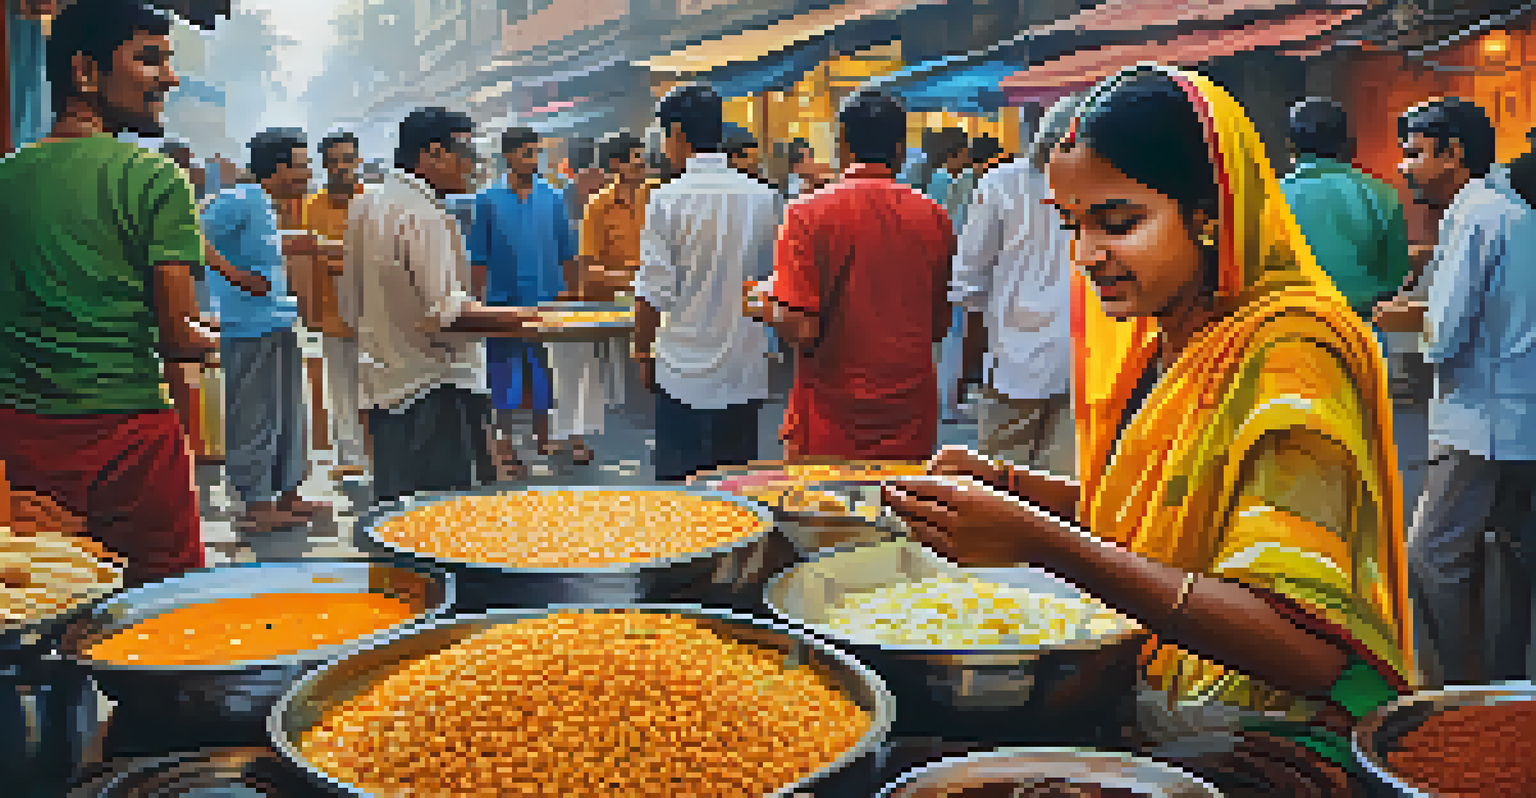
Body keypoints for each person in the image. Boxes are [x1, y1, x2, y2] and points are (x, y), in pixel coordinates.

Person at [885, 66, 1410, 797]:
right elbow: (1162, 515)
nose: (1085, 255)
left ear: (1207, 211)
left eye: (1118, 222)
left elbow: (1305, 648)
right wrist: (1005, 485)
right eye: (1073, 226)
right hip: (1170, 693)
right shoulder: (1172, 336)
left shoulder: (1292, 354)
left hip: (1278, 735)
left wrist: (1039, 542)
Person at [0, 0, 214, 586]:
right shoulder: (154, 178)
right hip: (132, 447)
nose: (169, 78)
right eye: (151, 61)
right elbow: (178, 333)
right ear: (86, 74)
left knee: (42, 616)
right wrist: (212, 340)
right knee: (161, 617)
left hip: (19, 442)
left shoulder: (4, 181)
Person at [1376, 99, 1535, 687]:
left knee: (1433, 553)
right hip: (1517, 418)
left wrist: (1401, 318)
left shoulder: (1474, 216)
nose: (1405, 166)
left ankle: (1460, 689)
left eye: (1415, 152)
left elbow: (1443, 340)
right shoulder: (1510, 211)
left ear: (1454, 152)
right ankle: (1507, 684)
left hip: (1478, 422)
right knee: (1510, 558)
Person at [339, 108, 538, 503]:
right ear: (432, 153)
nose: (471, 165)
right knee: (445, 521)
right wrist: (528, 318)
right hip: (436, 390)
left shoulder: (368, 203)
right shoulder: (421, 211)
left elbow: (350, 302)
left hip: (387, 385)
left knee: (401, 518)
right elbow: (447, 312)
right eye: (465, 153)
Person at [747, 90, 954, 462]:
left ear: (842, 143)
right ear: (900, 149)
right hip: (910, 419)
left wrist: (765, 305)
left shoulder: (805, 214)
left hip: (829, 420)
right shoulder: (934, 217)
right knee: (899, 518)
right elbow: (937, 327)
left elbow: (802, 327)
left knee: (824, 517)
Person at [1282, 98, 1421, 523]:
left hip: (1286, 338)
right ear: (1348, 144)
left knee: (1290, 447)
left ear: (1291, 144)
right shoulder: (1380, 195)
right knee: (1357, 445)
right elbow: (1396, 274)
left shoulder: (1272, 197)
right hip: (1357, 335)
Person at [635, 83, 780, 481]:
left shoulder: (666, 200)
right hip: (744, 370)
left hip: (680, 373)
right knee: (735, 498)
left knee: (682, 504)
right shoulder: (764, 198)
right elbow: (772, 281)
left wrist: (642, 353)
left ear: (678, 134)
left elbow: (653, 290)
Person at [203, 128, 329, 532]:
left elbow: (262, 248)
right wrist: (230, 273)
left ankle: (288, 493)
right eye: (302, 163)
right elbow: (191, 236)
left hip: (276, 321)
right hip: (248, 328)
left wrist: (301, 243)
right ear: (277, 168)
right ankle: (256, 506)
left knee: (289, 414)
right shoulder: (235, 201)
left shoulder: (265, 206)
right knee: (254, 416)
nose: (309, 171)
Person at [950, 94, 1079, 477]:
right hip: (1072, 365)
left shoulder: (1001, 184)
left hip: (1016, 364)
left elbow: (970, 283)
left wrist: (968, 367)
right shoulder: (1103, 184)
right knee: (1056, 496)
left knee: (1002, 493)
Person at [468, 127, 582, 471]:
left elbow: (567, 251)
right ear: (509, 156)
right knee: (502, 375)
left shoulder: (553, 196)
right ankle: (504, 444)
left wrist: (572, 296)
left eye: (536, 152)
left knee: (543, 371)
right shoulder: (487, 199)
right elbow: (478, 256)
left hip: (546, 299)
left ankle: (543, 436)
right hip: (501, 301)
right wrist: (477, 304)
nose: (533, 159)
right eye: (526, 153)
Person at [300, 130, 368, 480]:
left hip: (374, 310)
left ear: (358, 160)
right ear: (324, 164)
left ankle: (378, 454)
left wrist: (335, 257)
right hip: (331, 311)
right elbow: (306, 258)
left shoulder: (372, 202)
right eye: (335, 161)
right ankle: (352, 456)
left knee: (375, 384)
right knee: (340, 386)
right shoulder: (311, 207)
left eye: (348, 159)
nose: (343, 167)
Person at [574, 130, 651, 421]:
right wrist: (632, 280)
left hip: (656, 299)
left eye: (644, 161)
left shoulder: (657, 198)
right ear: (616, 165)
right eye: (636, 162)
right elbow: (590, 270)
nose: (643, 167)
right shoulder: (597, 207)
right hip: (617, 305)